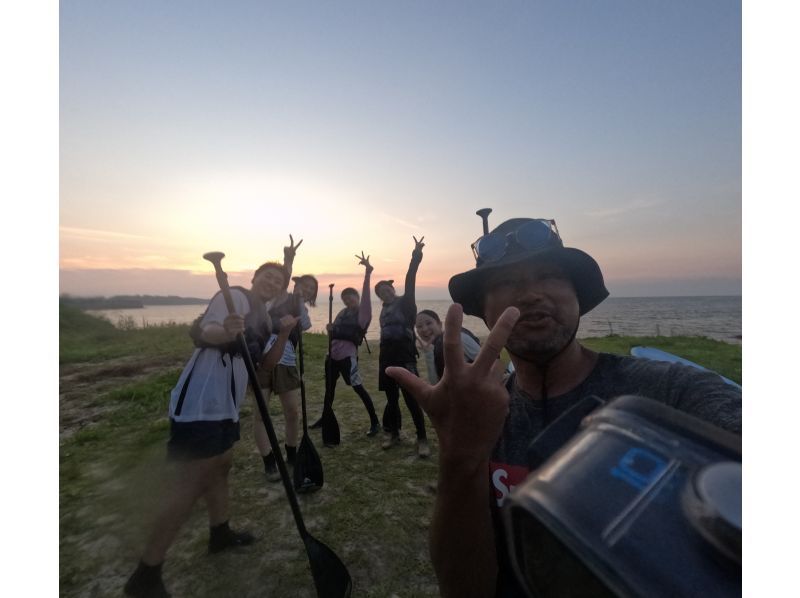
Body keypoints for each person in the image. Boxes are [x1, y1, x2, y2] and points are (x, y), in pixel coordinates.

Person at [387, 214, 742, 598]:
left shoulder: (666, 391)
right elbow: (464, 589)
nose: (530, 293)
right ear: (484, 312)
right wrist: (459, 456)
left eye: (550, 276)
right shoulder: (481, 418)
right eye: (506, 282)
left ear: (578, 297)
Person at [124, 263, 299, 598]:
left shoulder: (262, 317)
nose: (273, 282)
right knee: (189, 487)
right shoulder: (233, 296)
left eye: (278, 281)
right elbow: (207, 331)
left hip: (227, 405)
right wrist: (227, 330)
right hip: (201, 404)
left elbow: (266, 365)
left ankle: (220, 533)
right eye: (268, 276)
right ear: (254, 279)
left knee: (221, 469)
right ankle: (146, 573)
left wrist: (286, 334)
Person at [254, 257, 317, 482]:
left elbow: (306, 325)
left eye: (311, 290)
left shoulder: (301, 309)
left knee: (292, 412)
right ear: (293, 284)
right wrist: (288, 260)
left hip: (287, 361)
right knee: (261, 415)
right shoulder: (281, 296)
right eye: (303, 285)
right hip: (261, 358)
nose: (305, 290)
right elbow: (283, 283)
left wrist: (300, 302)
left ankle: (291, 453)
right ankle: (269, 461)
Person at [311, 251, 381, 436]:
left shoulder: (363, 313)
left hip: (348, 358)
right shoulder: (342, 313)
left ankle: (375, 421)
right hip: (331, 356)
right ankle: (325, 416)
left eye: (351, 296)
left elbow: (366, 295)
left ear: (357, 298)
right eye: (345, 298)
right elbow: (335, 334)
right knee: (329, 389)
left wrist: (368, 272)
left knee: (358, 389)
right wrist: (330, 328)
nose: (348, 300)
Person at [376, 236, 430, 458]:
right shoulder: (383, 310)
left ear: (392, 288)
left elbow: (411, 278)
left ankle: (422, 438)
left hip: (405, 356)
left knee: (411, 398)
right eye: (380, 292)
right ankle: (393, 432)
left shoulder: (406, 302)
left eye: (387, 289)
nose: (385, 293)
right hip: (386, 357)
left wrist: (415, 255)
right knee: (391, 399)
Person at [415, 308, 481, 384]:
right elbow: (436, 383)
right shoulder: (433, 348)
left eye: (429, 323)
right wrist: (428, 353)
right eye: (419, 327)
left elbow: (486, 362)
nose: (424, 329)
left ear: (439, 324)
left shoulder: (458, 337)